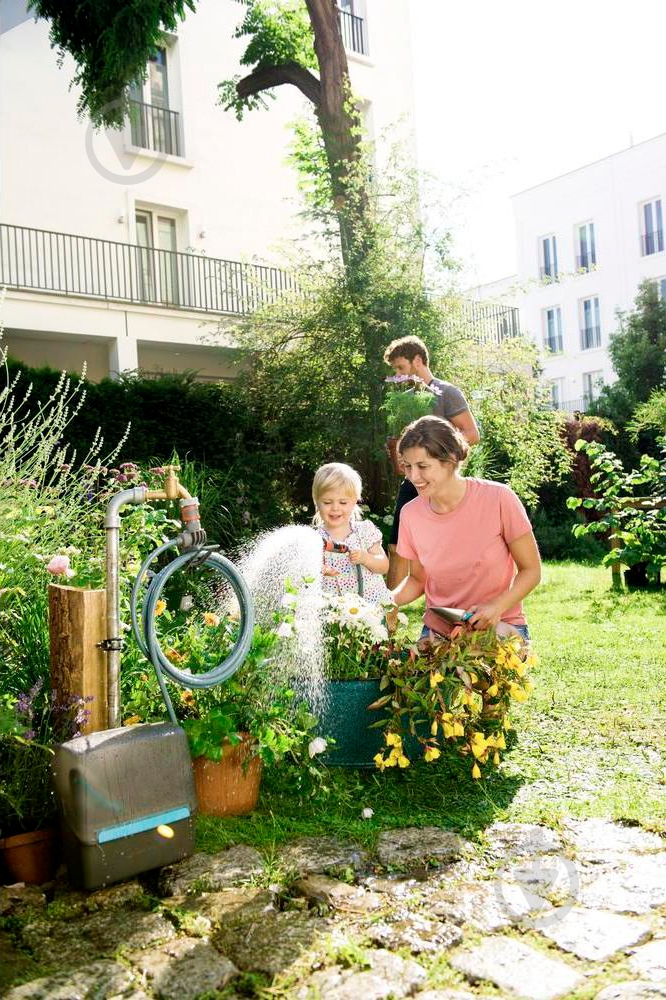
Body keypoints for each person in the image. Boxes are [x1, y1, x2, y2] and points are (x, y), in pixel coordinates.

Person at [390, 415, 541, 640]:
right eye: (408, 467)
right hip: (440, 631)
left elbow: (531, 570)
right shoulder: (411, 514)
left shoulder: (498, 499)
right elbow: (417, 580)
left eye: (422, 466)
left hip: (500, 625)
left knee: (475, 668)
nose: (413, 476)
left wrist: (496, 607)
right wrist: (385, 601)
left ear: (450, 459)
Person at [383, 335, 480, 589]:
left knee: (452, 545)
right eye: (396, 371)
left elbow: (472, 434)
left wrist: (437, 453)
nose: (400, 375)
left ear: (418, 360)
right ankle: (387, 614)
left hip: (443, 482)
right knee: (396, 546)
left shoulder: (447, 393)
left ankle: (461, 597)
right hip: (413, 480)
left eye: (402, 368)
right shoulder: (403, 400)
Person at [312, 462, 392, 605]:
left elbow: (384, 565)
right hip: (334, 614)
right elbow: (306, 575)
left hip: (370, 608)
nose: (335, 508)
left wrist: (366, 558)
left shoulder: (364, 531)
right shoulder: (315, 539)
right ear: (317, 502)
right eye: (327, 502)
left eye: (343, 502)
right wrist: (319, 571)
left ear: (355, 501)